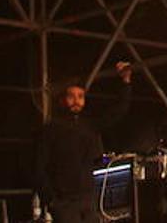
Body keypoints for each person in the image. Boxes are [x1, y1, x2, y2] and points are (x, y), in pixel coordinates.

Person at [35, 62, 133, 223]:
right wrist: (51, 199)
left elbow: (117, 112)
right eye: (71, 96)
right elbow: (38, 167)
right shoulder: (51, 129)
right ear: (62, 100)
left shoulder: (88, 125)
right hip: (64, 201)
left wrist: (126, 82)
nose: (76, 101)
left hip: (87, 199)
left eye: (80, 97)